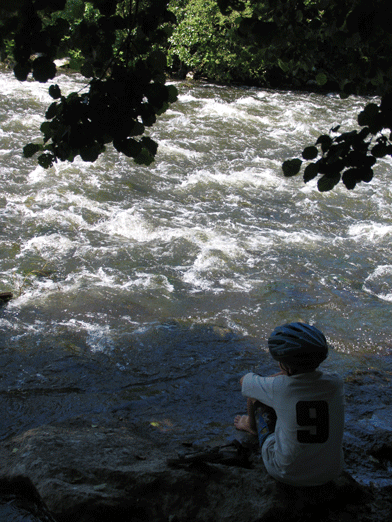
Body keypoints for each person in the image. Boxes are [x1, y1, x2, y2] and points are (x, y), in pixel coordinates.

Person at [234, 322, 345, 486]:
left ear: (284, 365)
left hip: (286, 472)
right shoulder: (336, 382)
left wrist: (281, 375)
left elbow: (244, 382)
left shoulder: (279, 387)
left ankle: (250, 426)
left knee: (255, 398)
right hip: (331, 471)